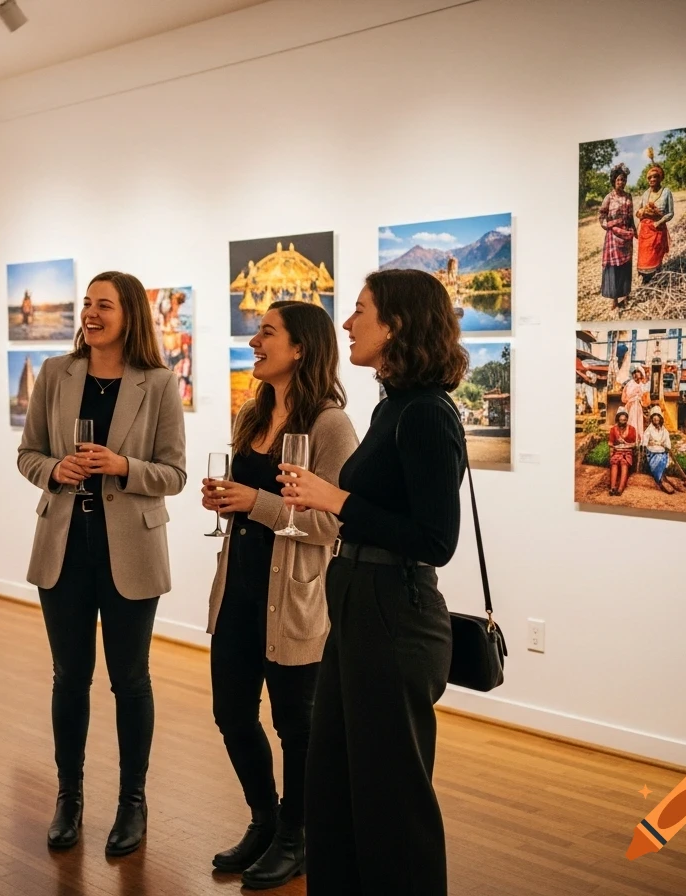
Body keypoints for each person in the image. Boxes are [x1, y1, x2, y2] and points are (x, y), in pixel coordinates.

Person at [279, 268, 466, 895]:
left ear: (397, 325)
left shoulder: (428, 415)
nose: (348, 323)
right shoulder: (392, 407)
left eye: (360, 310)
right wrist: (331, 502)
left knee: (392, 802)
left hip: (397, 613)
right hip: (358, 603)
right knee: (333, 785)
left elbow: (437, 540)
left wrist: (337, 498)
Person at [17, 270, 186, 856]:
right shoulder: (55, 374)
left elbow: (175, 474)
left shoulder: (159, 384)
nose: (90, 313)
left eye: (103, 305)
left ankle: (132, 803)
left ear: (129, 315)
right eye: (86, 304)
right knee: (69, 677)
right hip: (64, 542)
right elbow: (29, 453)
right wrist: (53, 469)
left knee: (130, 680)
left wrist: (121, 466)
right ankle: (70, 798)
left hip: (130, 547)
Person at [201, 301, 358, 889]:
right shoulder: (253, 413)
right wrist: (227, 501)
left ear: (300, 348)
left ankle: (298, 836)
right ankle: (264, 821)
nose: (253, 342)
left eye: (266, 333)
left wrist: (253, 503)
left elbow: (332, 524)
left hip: (292, 599)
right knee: (232, 714)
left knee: (298, 726)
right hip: (238, 590)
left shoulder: (330, 425)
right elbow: (252, 502)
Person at [598, 163, 635, 310]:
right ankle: (614, 299)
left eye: (624, 179)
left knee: (626, 267)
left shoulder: (628, 196)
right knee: (614, 268)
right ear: (614, 180)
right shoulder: (609, 197)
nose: (622, 182)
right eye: (619, 179)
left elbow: (631, 217)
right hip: (613, 237)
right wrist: (608, 225)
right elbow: (602, 215)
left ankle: (626, 297)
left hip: (627, 237)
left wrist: (634, 232)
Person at [634, 163, 675, 282]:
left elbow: (670, 213)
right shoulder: (646, 194)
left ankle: (657, 279)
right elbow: (638, 211)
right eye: (650, 177)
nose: (652, 179)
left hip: (658, 228)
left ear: (660, 178)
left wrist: (659, 222)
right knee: (645, 256)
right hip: (645, 231)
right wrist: (640, 213)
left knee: (656, 254)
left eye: (655, 176)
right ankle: (646, 280)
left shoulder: (666, 192)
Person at [642, 406, 675, 494]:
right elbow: (644, 443)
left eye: (658, 416)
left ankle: (663, 478)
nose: (656, 418)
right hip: (652, 452)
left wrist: (665, 446)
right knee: (658, 459)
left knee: (663, 458)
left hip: (662, 451)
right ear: (652, 418)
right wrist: (647, 446)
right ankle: (660, 481)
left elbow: (667, 443)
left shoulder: (664, 431)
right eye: (654, 416)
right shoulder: (648, 430)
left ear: (660, 418)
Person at [608, 408, 636, 496]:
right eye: (620, 420)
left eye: (624, 420)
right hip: (617, 452)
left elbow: (634, 444)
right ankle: (612, 488)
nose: (622, 421)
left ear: (627, 419)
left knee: (624, 463)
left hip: (627, 452)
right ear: (618, 419)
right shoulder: (613, 429)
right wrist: (612, 449)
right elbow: (610, 443)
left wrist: (626, 444)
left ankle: (620, 489)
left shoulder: (632, 429)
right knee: (614, 463)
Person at [622, 367, 648, 445]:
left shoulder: (643, 386)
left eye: (638, 372)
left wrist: (641, 401)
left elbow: (646, 401)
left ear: (641, 374)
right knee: (630, 422)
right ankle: (630, 440)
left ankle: (638, 441)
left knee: (638, 423)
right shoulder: (629, 384)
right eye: (634, 372)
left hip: (638, 407)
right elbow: (623, 399)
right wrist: (631, 397)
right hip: (630, 406)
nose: (636, 374)